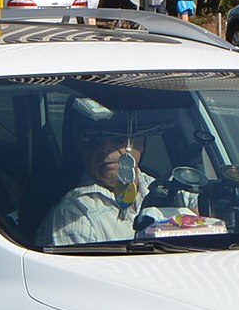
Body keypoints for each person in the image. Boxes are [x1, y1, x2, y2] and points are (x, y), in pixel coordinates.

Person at [38, 98, 159, 246]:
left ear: (141, 141)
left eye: (116, 138)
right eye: (90, 141)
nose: (104, 149)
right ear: (79, 148)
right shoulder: (74, 214)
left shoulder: (168, 190)